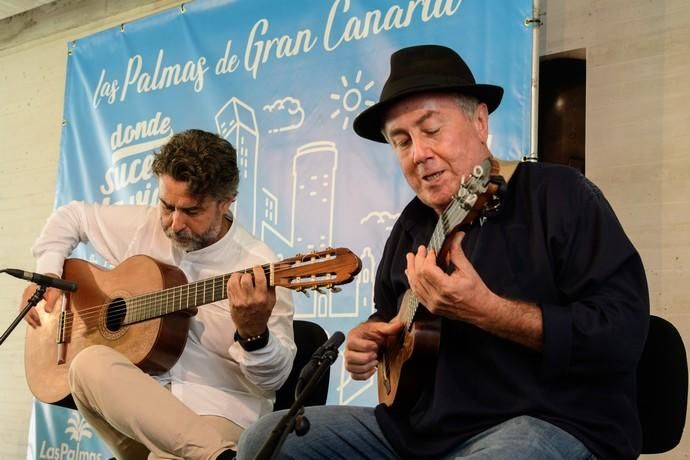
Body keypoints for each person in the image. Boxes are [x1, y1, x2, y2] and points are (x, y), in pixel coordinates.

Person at [237, 45, 650, 460]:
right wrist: (374, 339)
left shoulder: (560, 196)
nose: (419, 154)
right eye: (402, 141)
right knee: (264, 442)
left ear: (480, 121)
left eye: (431, 130)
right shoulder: (411, 225)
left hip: (548, 419)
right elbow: (392, 317)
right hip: (416, 434)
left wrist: (488, 310)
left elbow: (622, 332)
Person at [21, 129, 296, 460]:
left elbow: (275, 379)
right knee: (85, 365)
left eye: (192, 212)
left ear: (226, 202)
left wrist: (254, 335)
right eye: (167, 206)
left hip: (219, 411)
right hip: (141, 409)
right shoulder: (145, 227)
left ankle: (216, 456)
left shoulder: (259, 266)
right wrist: (49, 273)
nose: (174, 223)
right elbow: (72, 217)